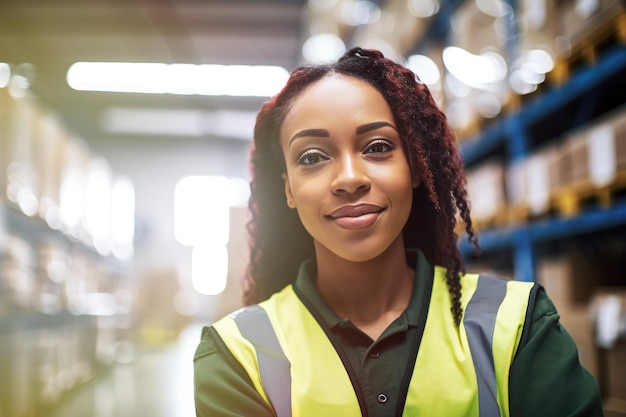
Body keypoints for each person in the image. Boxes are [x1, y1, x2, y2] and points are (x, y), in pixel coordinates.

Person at [193, 47, 603, 416]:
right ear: (288, 189)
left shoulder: (518, 326)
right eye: (313, 157)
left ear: (416, 170)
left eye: (377, 147)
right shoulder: (236, 355)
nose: (349, 179)